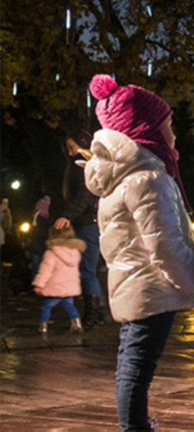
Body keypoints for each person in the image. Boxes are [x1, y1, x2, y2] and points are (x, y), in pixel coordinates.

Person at [84, 74, 194, 432]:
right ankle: (133, 426)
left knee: (133, 362)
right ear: (145, 129)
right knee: (137, 367)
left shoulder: (126, 176)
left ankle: (135, 423)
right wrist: (191, 281)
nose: (174, 133)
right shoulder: (148, 179)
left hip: (135, 285)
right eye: (167, 125)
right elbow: (164, 243)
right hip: (151, 288)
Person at [57, 130, 105, 330]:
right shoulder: (80, 167)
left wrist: (67, 214)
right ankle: (97, 312)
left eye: (72, 147)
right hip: (85, 222)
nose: (70, 153)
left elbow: (85, 196)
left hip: (88, 223)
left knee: (87, 269)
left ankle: (92, 315)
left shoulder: (84, 167)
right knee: (87, 269)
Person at [32, 222, 85, 337]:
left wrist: (39, 284)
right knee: (69, 305)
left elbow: (45, 271)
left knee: (46, 306)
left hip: (54, 287)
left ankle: (43, 325)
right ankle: (76, 323)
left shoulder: (51, 253)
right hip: (69, 287)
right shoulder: (75, 252)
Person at [29, 195, 53, 274]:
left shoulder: (35, 220)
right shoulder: (50, 221)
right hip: (43, 246)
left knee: (36, 269)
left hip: (37, 247)